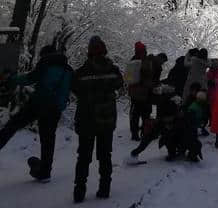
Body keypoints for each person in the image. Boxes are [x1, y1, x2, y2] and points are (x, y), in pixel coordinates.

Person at [0, 44, 73, 182]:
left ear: (44, 55)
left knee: (12, 125)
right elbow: (73, 88)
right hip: (55, 109)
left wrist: (11, 79)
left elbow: (30, 78)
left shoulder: (46, 63)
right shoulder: (68, 70)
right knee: (48, 139)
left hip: (38, 103)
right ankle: (45, 172)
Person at [72, 36, 123, 203]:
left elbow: (75, 90)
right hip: (106, 120)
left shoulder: (81, 72)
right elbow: (119, 86)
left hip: (86, 120)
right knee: (105, 155)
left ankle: (79, 192)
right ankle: (104, 188)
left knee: (84, 157)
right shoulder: (114, 71)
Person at [128, 41, 154, 141]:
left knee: (135, 114)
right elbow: (148, 74)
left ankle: (135, 133)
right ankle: (144, 132)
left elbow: (128, 77)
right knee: (145, 113)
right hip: (144, 91)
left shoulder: (132, 60)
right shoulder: (144, 61)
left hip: (134, 92)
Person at [183, 91, 206, 162]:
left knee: (195, 142)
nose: (203, 101)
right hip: (190, 129)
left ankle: (191, 154)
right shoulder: (194, 107)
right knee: (195, 143)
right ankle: (191, 155)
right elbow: (191, 120)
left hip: (193, 128)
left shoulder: (198, 105)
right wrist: (198, 125)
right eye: (202, 100)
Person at [207, 58, 218, 129]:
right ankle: (211, 121)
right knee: (210, 107)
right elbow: (206, 78)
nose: (214, 65)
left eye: (216, 63)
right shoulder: (209, 71)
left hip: (217, 91)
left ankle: (215, 121)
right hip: (210, 91)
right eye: (213, 63)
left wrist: (214, 81)